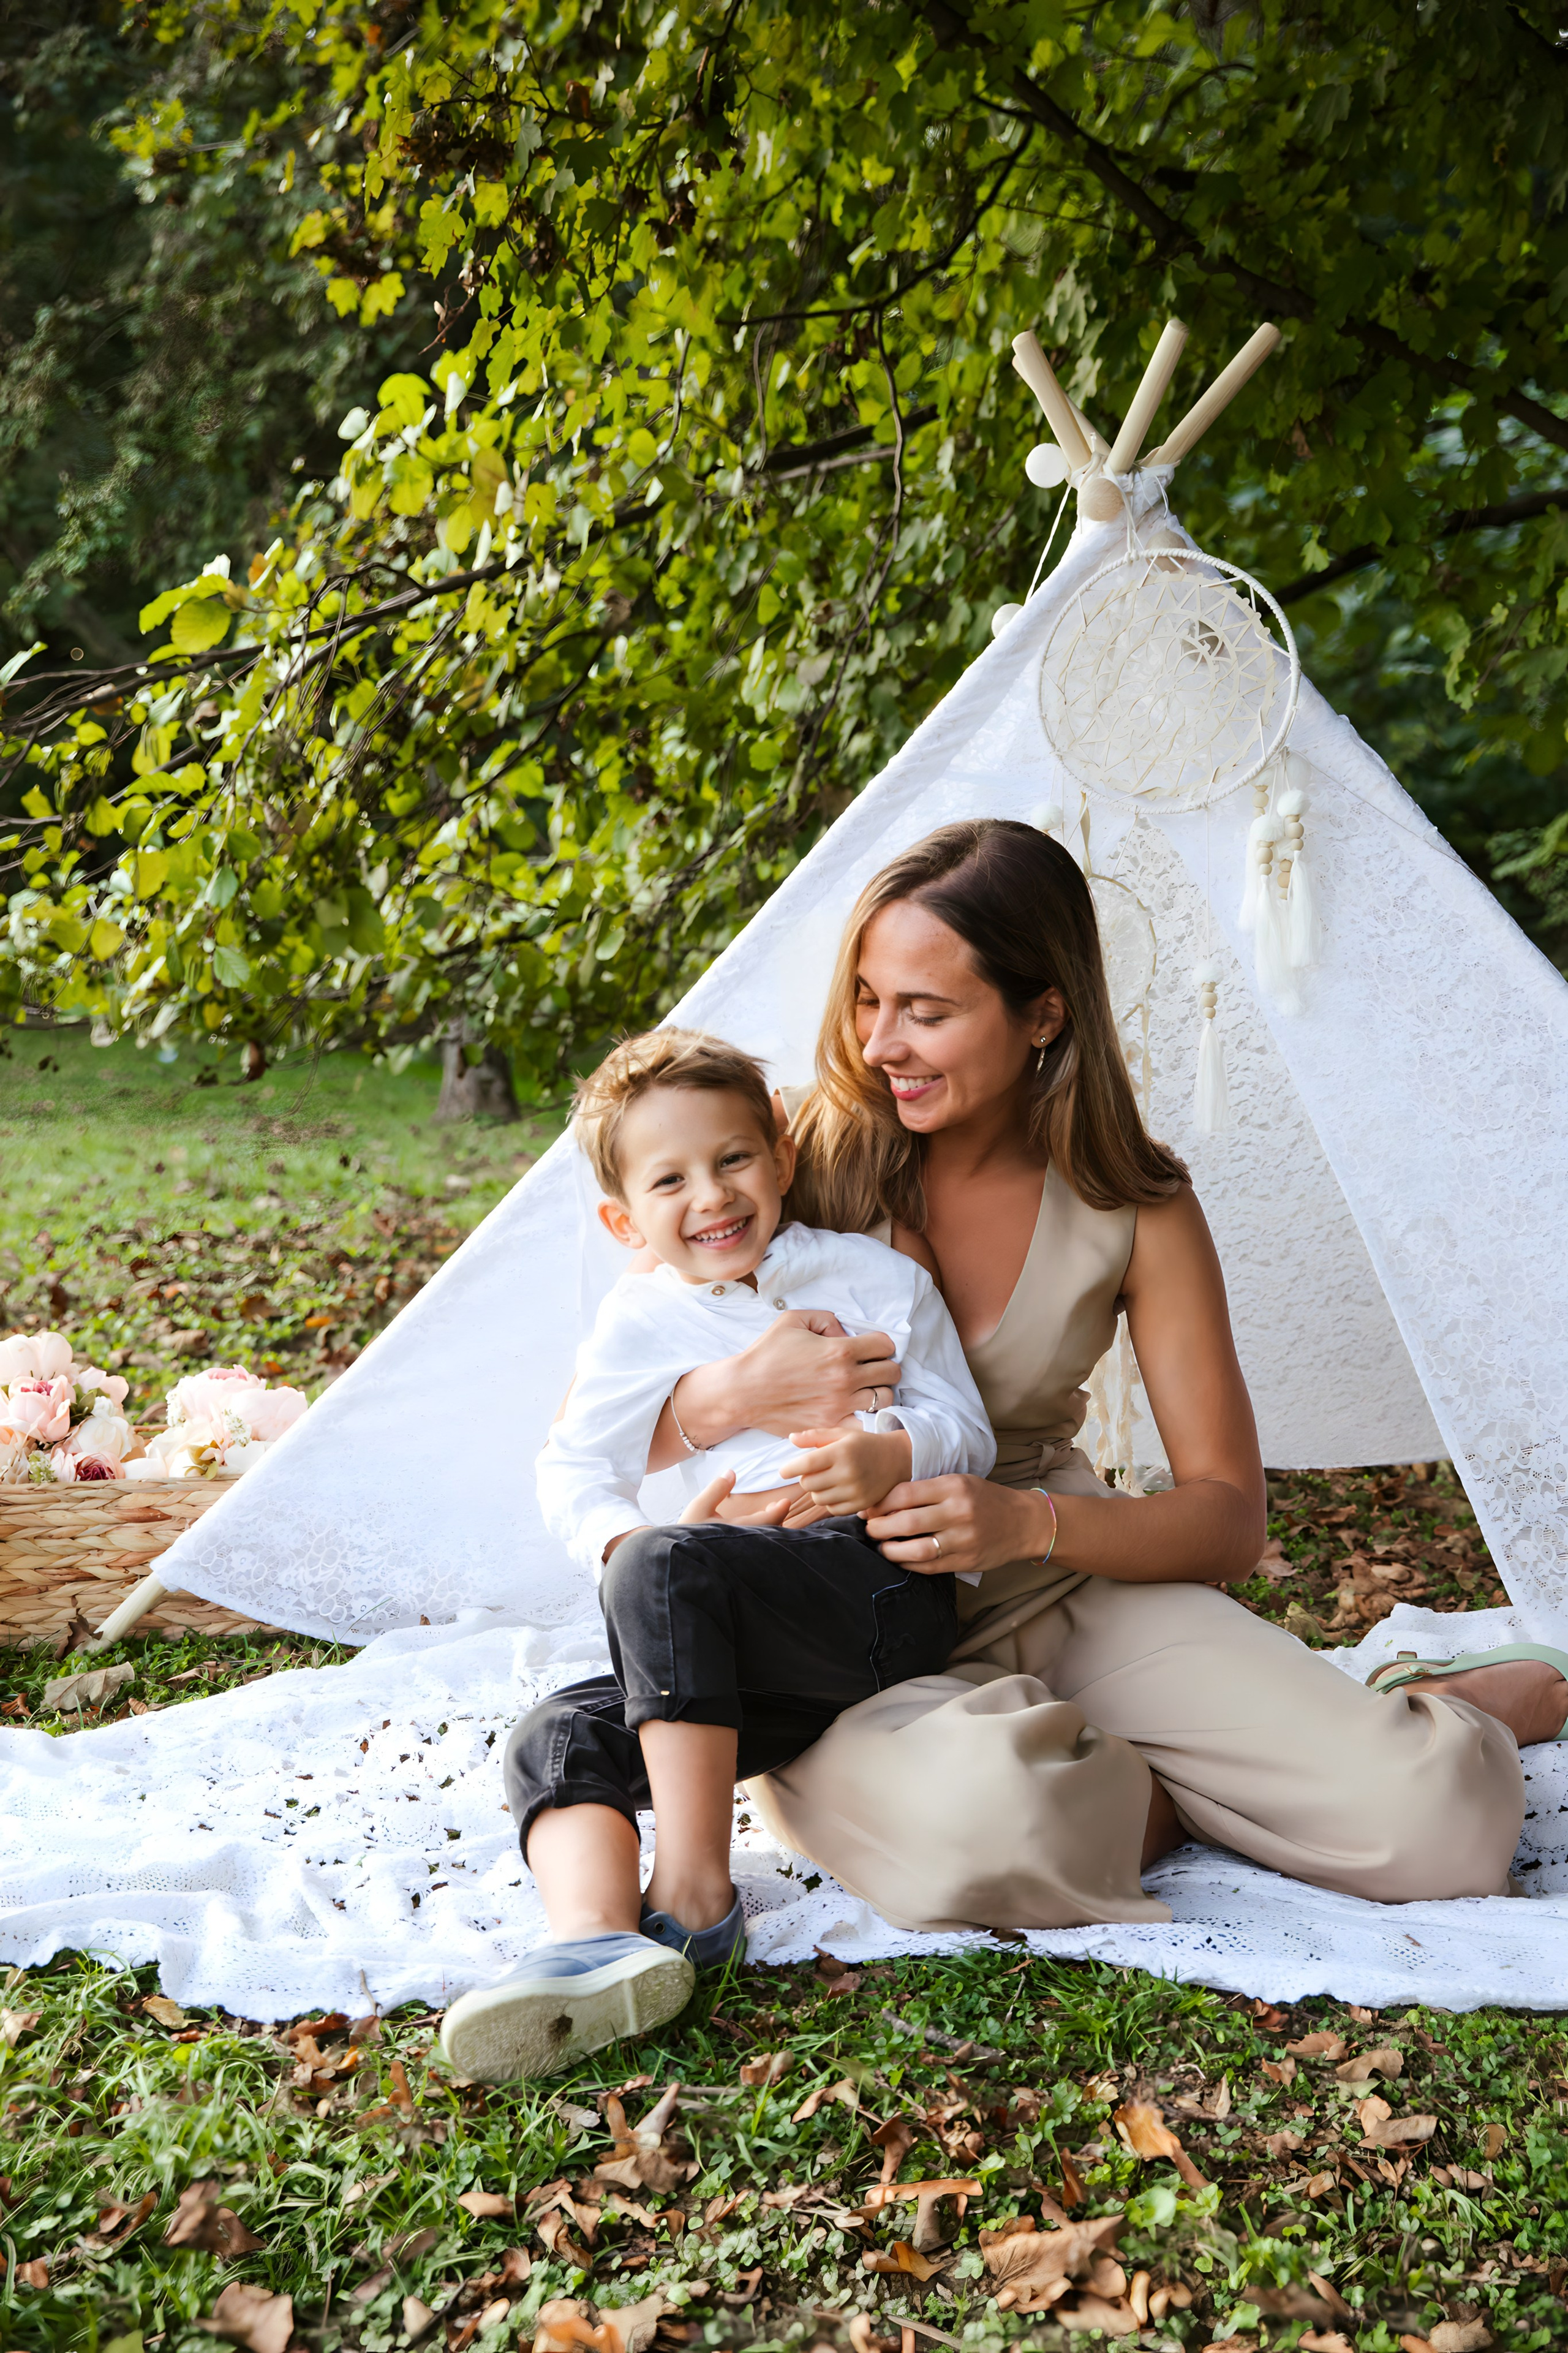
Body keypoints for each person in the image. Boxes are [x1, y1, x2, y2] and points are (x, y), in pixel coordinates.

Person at [635, 818, 1549, 1935]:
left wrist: (1021, 1523)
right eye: (868, 1000)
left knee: (1438, 1819)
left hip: (1059, 1576)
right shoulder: (792, 1161)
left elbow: (1227, 1520)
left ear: (1043, 1015)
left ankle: (1426, 1708)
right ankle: (1195, 1788)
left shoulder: (1132, 1200)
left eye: (927, 1010)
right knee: (985, 1836)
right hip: (845, 1613)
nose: (881, 1043)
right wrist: (726, 1401)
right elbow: (604, 1413)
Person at [439, 1027, 994, 2082]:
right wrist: (647, 1544)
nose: (713, 1195)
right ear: (624, 1219)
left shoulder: (872, 1277)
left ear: (782, 1156)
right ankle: (594, 1944)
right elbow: (572, 1471)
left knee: (662, 1566)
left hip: (877, 1589)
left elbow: (967, 1429)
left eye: (734, 1159)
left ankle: (694, 1905)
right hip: (732, 1646)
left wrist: (887, 1455)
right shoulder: (639, 1321)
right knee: (554, 1735)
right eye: (671, 1179)